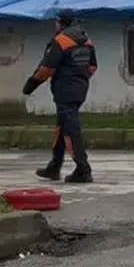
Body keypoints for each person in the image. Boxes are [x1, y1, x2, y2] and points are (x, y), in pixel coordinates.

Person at [27, 9, 97, 184]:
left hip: (64, 90)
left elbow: (46, 69)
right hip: (80, 88)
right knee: (62, 126)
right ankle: (54, 167)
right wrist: (79, 78)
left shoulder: (60, 41)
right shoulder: (86, 41)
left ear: (60, 23)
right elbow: (92, 67)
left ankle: (83, 169)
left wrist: (31, 85)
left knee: (70, 129)